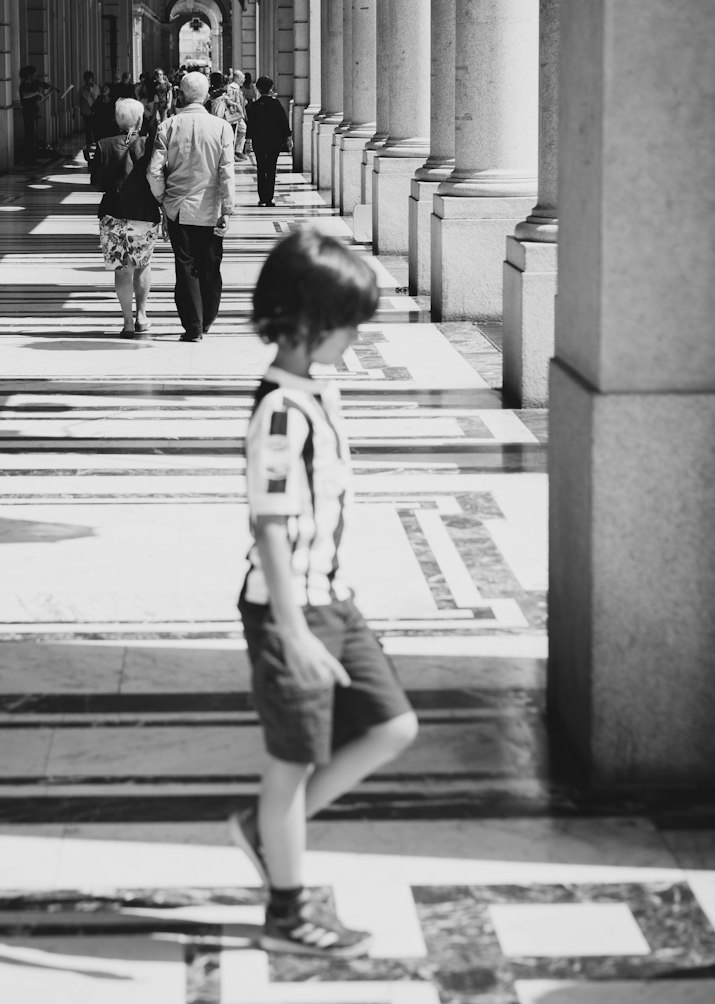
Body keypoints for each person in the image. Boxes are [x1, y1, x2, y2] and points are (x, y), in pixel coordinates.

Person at [228, 228, 418, 956]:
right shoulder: (280, 411)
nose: (357, 337)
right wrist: (293, 629)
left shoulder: (316, 390)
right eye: (350, 323)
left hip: (333, 598)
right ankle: (288, 912)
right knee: (292, 763)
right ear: (309, 320)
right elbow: (269, 524)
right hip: (291, 610)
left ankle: (266, 833)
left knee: (392, 725)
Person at [146, 69, 235, 342]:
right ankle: (207, 319)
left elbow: (154, 172)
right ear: (207, 95)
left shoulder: (167, 126)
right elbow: (226, 171)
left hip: (178, 208)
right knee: (210, 266)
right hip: (210, 209)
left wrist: (162, 200)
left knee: (185, 266)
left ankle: (193, 327)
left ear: (182, 95)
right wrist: (228, 209)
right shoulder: (222, 127)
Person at [91, 96, 161, 338]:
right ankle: (142, 316)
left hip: (113, 213)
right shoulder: (149, 144)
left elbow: (98, 184)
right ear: (140, 119)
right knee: (142, 265)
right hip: (144, 212)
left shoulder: (103, 145)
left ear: (116, 119)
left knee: (121, 269)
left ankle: (128, 322)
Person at [245, 75, 292, 207]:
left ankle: (262, 198)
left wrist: (248, 142)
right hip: (274, 141)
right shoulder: (275, 104)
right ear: (271, 88)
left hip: (259, 142)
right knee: (271, 169)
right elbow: (283, 122)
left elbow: (251, 126)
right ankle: (269, 198)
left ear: (258, 89)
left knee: (261, 168)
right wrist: (288, 137)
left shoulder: (253, 106)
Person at [19, 65, 45, 165]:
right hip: (28, 113)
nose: (35, 76)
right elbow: (25, 95)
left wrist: (42, 95)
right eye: (34, 74)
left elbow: (38, 98)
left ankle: (32, 157)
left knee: (34, 136)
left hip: (35, 111)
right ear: (29, 75)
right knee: (30, 135)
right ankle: (29, 159)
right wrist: (36, 93)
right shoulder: (24, 85)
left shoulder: (33, 85)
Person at [79, 71, 101, 148]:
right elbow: (79, 100)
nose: (88, 81)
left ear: (92, 79)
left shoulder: (96, 87)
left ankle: (97, 144)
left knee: (96, 129)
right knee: (88, 130)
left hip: (95, 111)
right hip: (86, 111)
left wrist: (91, 91)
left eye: (89, 79)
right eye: (86, 79)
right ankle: (88, 145)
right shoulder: (82, 89)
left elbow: (97, 98)